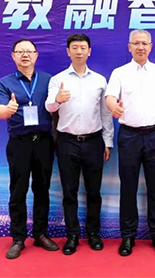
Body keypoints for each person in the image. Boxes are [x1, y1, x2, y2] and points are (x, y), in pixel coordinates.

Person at [105, 29, 155, 256]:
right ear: (129, 47)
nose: (141, 47)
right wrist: (113, 107)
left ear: (151, 47)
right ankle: (128, 236)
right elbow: (110, 97)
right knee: (128, 187)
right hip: (129, 136)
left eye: (145, 43)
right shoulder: (120, 73)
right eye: (136, 43)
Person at [45, 34, 114, 255]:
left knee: (94, 192)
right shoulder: (57, 80)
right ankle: (72, 235)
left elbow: (106, 114)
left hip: (94, 141)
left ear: (89, 51)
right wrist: (58, 99)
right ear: (68, 51)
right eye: (74, 47)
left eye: (83, 47)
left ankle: (94, 233)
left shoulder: (100, 80)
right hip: (67, 142)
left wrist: (107, 141)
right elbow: (49, 107)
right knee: (69, 192)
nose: (79, 51)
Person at [0, 39, 58, 259]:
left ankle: (40, 234)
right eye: (20, 51)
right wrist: (9, 109)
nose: (25, 55)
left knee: (42, 189)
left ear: (36, 55)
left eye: (29, 51)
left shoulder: (48, 80)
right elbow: (0, 112)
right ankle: (18, 238)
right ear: (13, 56)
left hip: (44, 142)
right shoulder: (5, 83)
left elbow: (56, 108)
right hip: (19, 143)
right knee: (18, 191)